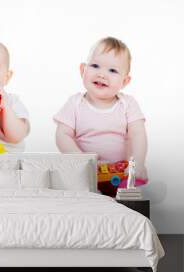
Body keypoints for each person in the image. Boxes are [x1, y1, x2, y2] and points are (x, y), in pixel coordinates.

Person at [54, 37, 148, 189]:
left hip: (120, 172)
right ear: (83, 70)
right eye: (95, 66)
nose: (102, 74)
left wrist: (137, 162)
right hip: (84, 173)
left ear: (124, 81)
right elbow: (62, 135)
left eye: (112, 70)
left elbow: (138, 134)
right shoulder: (75, 103)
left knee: (127, 199)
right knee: (80, 196)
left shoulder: (128, 104)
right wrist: (81, 160)